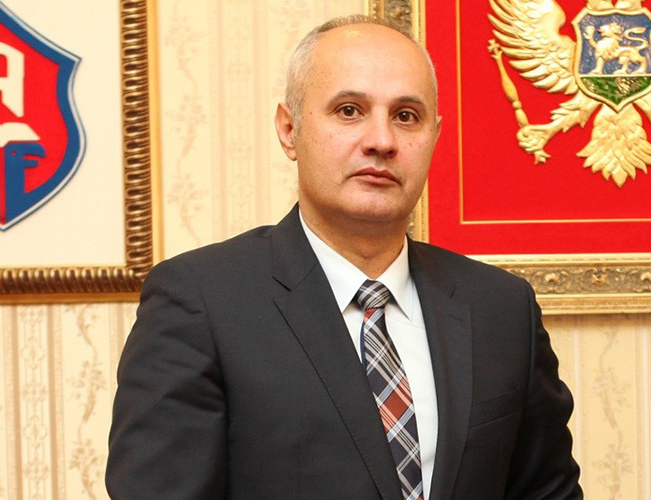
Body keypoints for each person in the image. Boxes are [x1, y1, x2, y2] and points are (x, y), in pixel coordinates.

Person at [107, 16, 582, 500]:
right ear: (289, 130)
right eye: (349, 110)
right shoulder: (200, 303)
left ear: (434, 137)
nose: (382, 140)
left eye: (406, 116)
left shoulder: (501, 308)